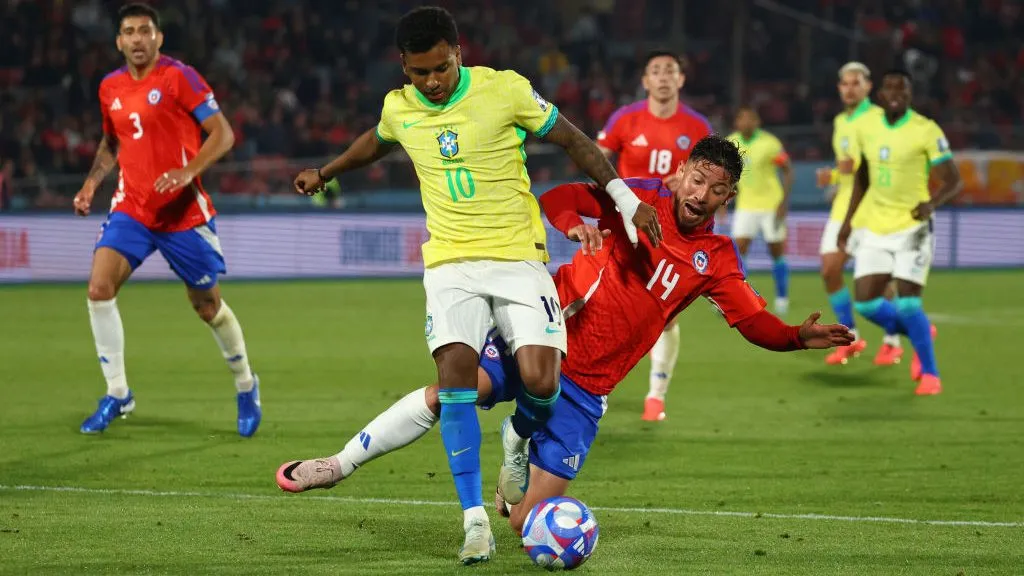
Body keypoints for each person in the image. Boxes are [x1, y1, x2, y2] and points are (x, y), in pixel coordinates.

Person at [276, 135, 853, 542]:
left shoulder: (717, 259)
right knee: (453, 390)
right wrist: (575, 225)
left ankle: (518, 441)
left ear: (728, 198)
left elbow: (753, 322)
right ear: (682, 172)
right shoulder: (636, 194)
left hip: (590, 389)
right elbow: (561, 197)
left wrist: (796, 337)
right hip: (544, 332)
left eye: (716, 189)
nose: (700, 194)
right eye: (697, 179)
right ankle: (339, 463)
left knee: (526, 526)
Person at [291, 6, 661, 565]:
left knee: (542, 382)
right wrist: (327, 171)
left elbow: (576, 142)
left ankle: (517, 436)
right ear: (404, 68)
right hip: (449, 265)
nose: (432, 82)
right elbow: (378, 139)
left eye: (441, 67)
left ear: (458, 52)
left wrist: (626, 200)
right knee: (455, 380)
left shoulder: (505, 90)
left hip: (518, 257)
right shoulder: (400, 107)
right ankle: (474, 522)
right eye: (420, 73)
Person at [73, 3, 260, 436]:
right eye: (128, 32)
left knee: (207, 306)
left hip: (182, 213)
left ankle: (246, 386)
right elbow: (109, 142)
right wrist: (90, 185)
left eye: (144, 31)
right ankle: (118, 393)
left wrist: (187, 171)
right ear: (118, 41)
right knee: (99, 289)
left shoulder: (180, 77)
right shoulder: (110, 87)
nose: (137, 39)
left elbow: (223, 133)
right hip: (132, 208)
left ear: (158, 37)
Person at [595, 50, 713, 422]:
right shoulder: (625, 119)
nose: (663, 77)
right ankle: (595, 386)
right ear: (646, 81)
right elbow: (596, 159)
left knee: (665, 315)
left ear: (681, 80)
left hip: (670, 233)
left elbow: (709, 181)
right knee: (608, 307)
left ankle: (656, 396)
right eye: (656, 71)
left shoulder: (696, 127)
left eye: (670, 71)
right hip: (624, 226)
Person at [838, 69, 963, 396]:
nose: (895, 93)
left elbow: (953, 179)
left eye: (902, 88)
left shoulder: (925, 129)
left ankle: (931, 375)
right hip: (876, 227)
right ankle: (921, 331)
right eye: (889, 87)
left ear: (910, 94)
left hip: (912, 228)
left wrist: (931, 203)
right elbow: (862, 177)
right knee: (865, 304)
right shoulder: (866, 127)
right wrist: (848, 221)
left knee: (908, 305)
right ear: (880, 94)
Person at [815, 62, 905, 366]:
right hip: (843, 207)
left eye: (856, 83)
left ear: (868, 87)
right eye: (845, 83)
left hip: (873, 207)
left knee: (878, 277)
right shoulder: (841, 121)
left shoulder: (880, 118)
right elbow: (847, 169)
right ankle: (850, 336)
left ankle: (893, 340)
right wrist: (833, 176)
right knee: (830, 270)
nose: (850, 88)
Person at [727, 107, 794, 316]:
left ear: (757, 122)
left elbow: (787, 169)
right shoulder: (730, 143)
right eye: (742, 118)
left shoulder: (770, 143)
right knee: (737, 252)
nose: (746, 122)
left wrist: (783, 202)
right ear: (737, 122)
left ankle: (782, 298)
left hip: (770, 206)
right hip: (745, 206)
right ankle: (742, 297)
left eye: (751, 118)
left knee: (776, 251)